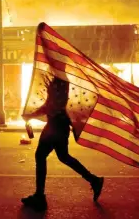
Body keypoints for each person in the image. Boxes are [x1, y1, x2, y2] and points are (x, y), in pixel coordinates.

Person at [21, 77, 104, 211]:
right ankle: (94, 180)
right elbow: (51, 104)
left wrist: (31, 115)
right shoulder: (59, 79)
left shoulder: (60, 80)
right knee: (63, 156)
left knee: (41, 156)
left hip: (56, 125)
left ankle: (40, 196)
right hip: (59, 124)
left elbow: (52, 106)